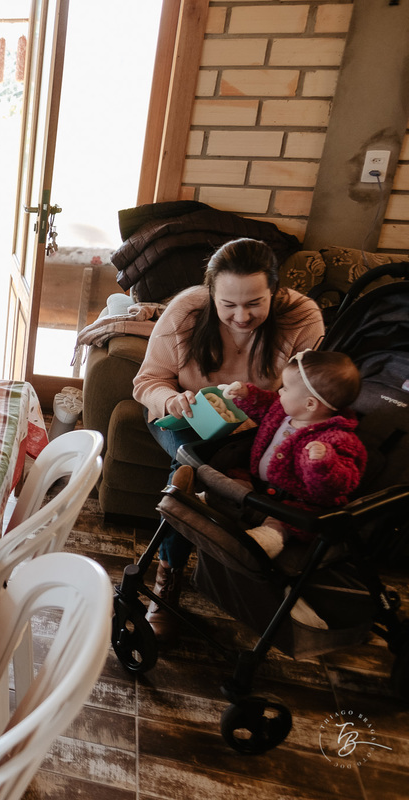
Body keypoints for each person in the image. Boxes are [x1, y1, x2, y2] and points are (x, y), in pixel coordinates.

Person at [132, 237, 324, 640]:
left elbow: (313, 395)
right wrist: (171, 399)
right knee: (191, 464)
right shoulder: (187, 310)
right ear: (211, 293)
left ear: (275, 290)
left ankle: (242, 567)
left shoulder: (302, 316)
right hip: (182, 419)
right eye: (228, 305)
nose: (241, 316)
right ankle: (168, 577)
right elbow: (147, 381)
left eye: (255, 303)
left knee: (217, 469)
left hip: (258, 422)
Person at [221, 349, 366, 559]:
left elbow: (342, 482)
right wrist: (247, 394)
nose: (280, 392)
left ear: (310, 404)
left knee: (281, 523)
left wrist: (324, 463)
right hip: (260, 488)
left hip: (296, 505)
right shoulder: (283, 411)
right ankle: (204, 498)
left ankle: (264, 541)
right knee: (231, 486)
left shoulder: (337, 439)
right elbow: (265, 405)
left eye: (285, 389)